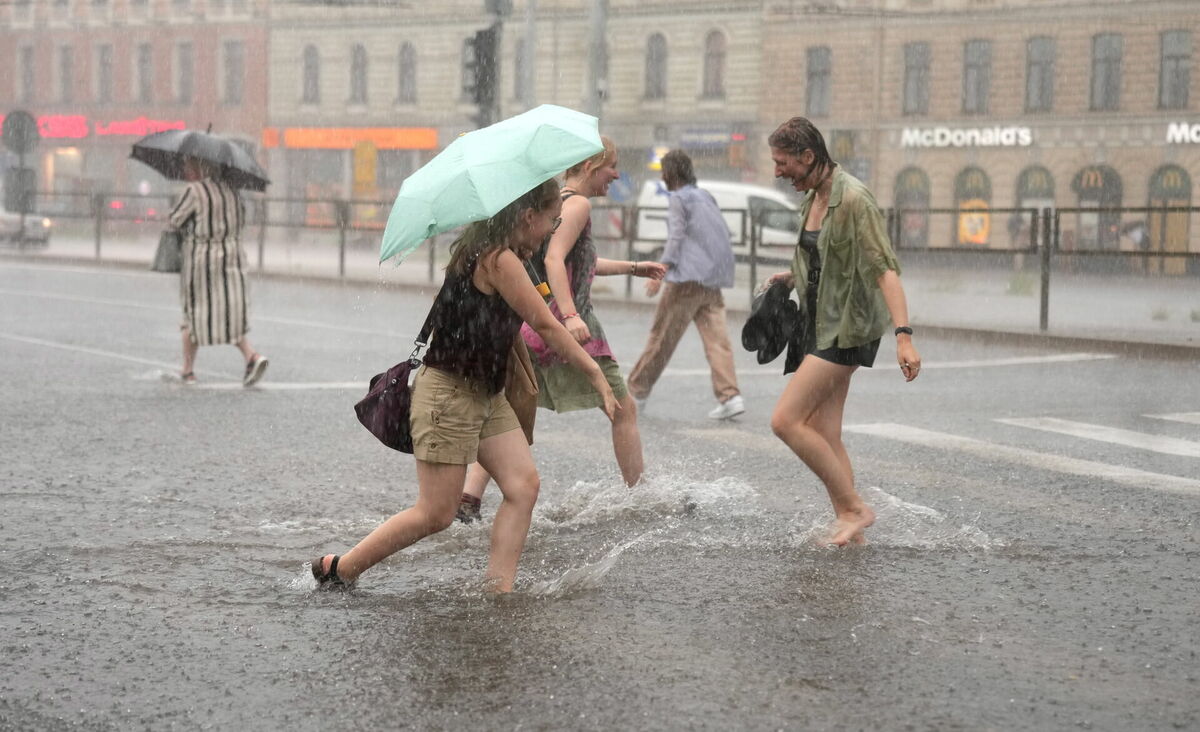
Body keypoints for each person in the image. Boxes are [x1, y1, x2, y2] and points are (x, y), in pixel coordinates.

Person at [310, 179, 619, 593]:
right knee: (435, 513)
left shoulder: (498, 252)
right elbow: (545, 325)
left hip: (486, 394)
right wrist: (595, 373)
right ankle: (342, 568)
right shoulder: (497, 259)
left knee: (522, 486)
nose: (552, 228)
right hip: (450, 396)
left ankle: (498, 588)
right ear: (528, 216)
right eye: (552, 219)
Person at [456, 137, 666, 523]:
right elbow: (555, 260)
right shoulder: (579, 204)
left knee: (513, 410)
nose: (616, 175)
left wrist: (634, 267)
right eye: (611, 166)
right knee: (623, 409)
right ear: (588, 167)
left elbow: (578, 261)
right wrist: (570, 315)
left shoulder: (557, 203)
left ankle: (469, 498)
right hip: (565, 325)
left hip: (532, 323)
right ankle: (639, 495)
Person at [765, 117, 921, 547]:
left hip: (848, 327)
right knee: (824, 431)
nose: (777, 172)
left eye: (782, 163)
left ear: (807, 156)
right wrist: (791, 277)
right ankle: (849, 529)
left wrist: (904, 336)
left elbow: (884, 268)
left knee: (786, 421)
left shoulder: (854, 198)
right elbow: (823, 258)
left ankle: (855, 509)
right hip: (819, 323)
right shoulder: (813, 197)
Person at [626, 149, 743, 420]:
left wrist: (660, 271)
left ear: (671, 173)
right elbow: (721, 233)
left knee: (661, 338)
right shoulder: (705, 196)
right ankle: (730, 396)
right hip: (712, 279)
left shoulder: (679, 198)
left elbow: (676, 236)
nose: (662, 177)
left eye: (663, 172)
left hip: (687, 279)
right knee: (718, 342)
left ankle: (636, 392)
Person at [168, 156, 268, 386]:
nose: (185, 169)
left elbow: (175, 219)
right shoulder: (232, 191)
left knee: (195, 312)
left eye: (188, 165)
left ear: (199, 167)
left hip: (202, 260)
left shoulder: (194, 191)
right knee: (227, 311)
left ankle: (188, 371)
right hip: (232, 256)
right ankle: (251, 356)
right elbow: (241, 220)